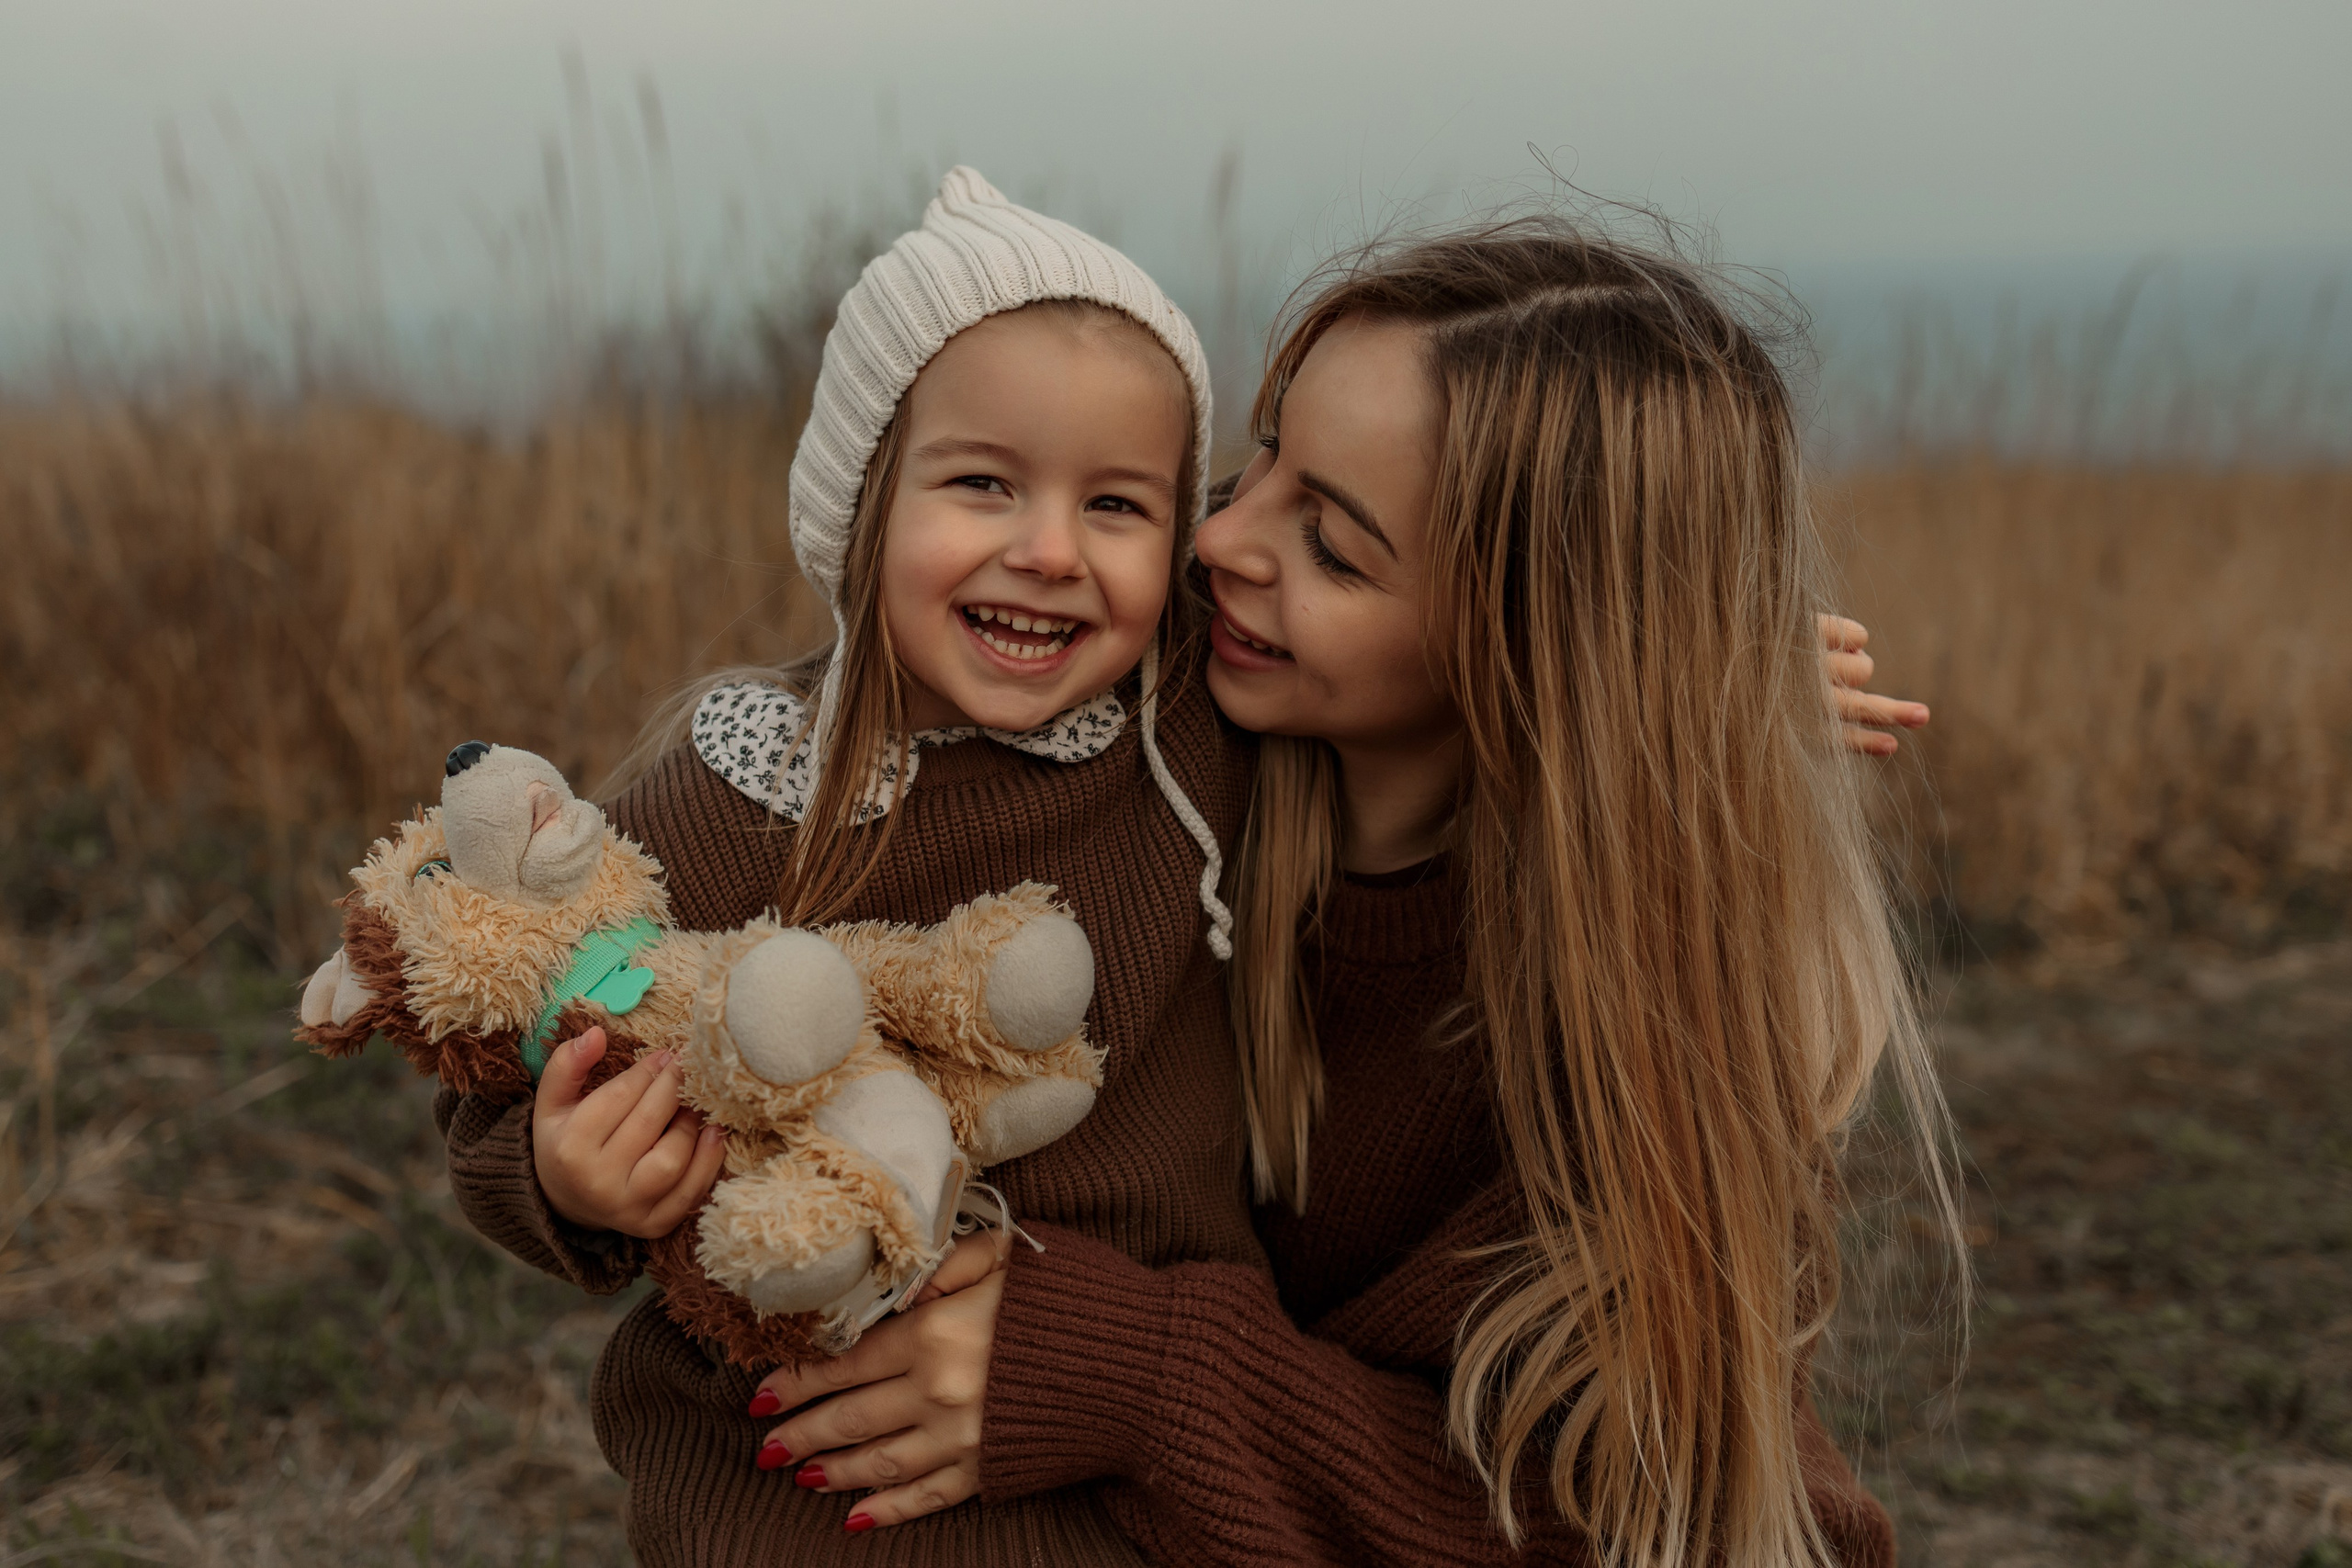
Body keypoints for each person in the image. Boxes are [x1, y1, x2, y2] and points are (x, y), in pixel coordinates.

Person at [756, 218, 1954, 1567]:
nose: (1219, 543)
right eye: (1261, 455)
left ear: (1528, 643)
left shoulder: (1645, 1031)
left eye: (1332, 548)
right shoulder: (1154, 741)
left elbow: (1678, 1530)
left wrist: (1142, 1380)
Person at [438, 166, 1269, 1566]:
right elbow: (508, 1066)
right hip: (799, 1486)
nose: (1052, 550)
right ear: (864, 501)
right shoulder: (738, 788)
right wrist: (561, 1176)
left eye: (1119, 505)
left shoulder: (1193, 740)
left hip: (1123, 1468)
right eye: (984, 483)